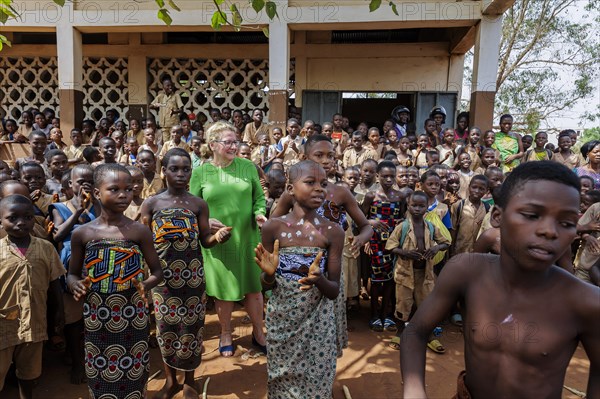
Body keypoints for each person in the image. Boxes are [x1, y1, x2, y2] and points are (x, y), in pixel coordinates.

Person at [400, 161, 600, 399]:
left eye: (566, 223)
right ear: (497, 216)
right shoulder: (466, 272)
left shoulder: (585, 301)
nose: (550, 231)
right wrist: (414, 391)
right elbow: (415, 332)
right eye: (532, 215)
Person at [270, 134, 374, 357]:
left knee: (328, 320)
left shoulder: (340, 192)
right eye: (319, 155)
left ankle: (325, 370)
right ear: (304, 157)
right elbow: (274, 221)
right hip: (300, 266)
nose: (326, 160)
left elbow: (366, 225)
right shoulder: (295, 192)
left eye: (330, 156)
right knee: (300, 319)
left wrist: (360, 238)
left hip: (332, 266)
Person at [140, 148, 232, 399]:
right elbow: (144, 241)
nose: (181, 174)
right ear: (164, 171)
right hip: (163, 279)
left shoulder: (197, 203)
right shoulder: (151, 203)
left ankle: (190, 380)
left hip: (193, 278)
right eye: (174, 169)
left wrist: (218, 237)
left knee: (192, 329)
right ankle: (171, 381)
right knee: (166, 329)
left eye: (186, 169)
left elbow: (205, 240)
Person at [67, 164, 163, 398]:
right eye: (114, 189)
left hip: (133, 316)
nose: (123, 195)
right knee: (101, 375)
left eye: (128, 189)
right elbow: (72, 273)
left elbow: (158, 272)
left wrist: (146, 285)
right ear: (97, 193)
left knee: (134, 374)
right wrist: (74, 284)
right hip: (97, 318)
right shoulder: (83, 233)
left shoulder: (139, 231)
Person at [255, 160, 343, 399]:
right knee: (281, 377)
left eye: (323, 184)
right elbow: (266, 287)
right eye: (310, 182)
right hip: (282, 319)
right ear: (290, 189)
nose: (319, 189)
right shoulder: (273, 228)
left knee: (318, 378)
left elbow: (334, 290)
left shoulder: (333, 231)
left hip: (318, 321)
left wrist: (319, 280)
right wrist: (269, 274)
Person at [189, 122, 268, 357]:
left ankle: (258, 332)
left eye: (236, 142)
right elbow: (194, 205)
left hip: (249, 238)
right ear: (212, 145)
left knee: (254, 289)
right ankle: (225, 332)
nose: (234, 146)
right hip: (218, 242)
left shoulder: (248, 167)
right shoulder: (200, 172)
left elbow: (259, 198)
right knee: (224, 292)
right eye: (228, 142)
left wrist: (259, 213)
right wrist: (206, 221)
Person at [0, 194, 65, 399]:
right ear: (0, 220)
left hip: (35, 320)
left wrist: (59, 312)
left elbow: (54, 283)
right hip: (3, 324)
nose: (21, 223)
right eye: (13, 218)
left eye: (28, 217)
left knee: (29, 371)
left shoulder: (45, 247)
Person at [49, 164, 98, 384]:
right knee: (74, 318)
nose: (85, 185)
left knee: (96, 315)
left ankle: (94, 357)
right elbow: (58, 235)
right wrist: (78, 209)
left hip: (98, 266)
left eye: (90, 181)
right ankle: (77, 363)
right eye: (81, 181)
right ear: (70, 184)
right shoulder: (59, 207)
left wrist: (93, 203)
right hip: (73, 269)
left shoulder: (99, 206)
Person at [386, 191, 450, 351]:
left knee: (426, 304)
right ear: (408, 206)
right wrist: (405, 253)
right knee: (402, 303)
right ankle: (400, 332)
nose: (417, 209)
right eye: (414, 205)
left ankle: (428, 335)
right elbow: (390, 246)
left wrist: (436, 248)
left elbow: (446, 242)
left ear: (427, 208)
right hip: (405, 272)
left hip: (425, 273)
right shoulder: (403, 226)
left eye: (421, 206)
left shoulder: (430, 226)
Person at [361, 161, 405, 332]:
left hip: (393, 243)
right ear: (377, 176)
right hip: (375, 243)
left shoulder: (400, 197)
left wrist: (399, 223)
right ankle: (374, 314)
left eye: (392, 176)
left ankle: (386, 315)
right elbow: (361, 219)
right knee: (377, 279)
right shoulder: (371, 196)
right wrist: (372, 221)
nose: (388, 179)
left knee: (391, 280)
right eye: (385, 176)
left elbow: (402, 217)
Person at [450, 175, 489, 256]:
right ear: (469, 187)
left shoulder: (487, 208)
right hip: (460, 252)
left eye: (481, 189)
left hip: (478, 254)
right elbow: (453, 231)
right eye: (474, 187)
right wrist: (451, 252)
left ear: (486, 191)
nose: (477, 191)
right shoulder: (459, 206)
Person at [150, 77, 184, 145]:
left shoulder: (176, 96)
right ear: (163, 87)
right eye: (168, 85)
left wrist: (174, 112)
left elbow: (181, 109)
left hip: (174, 125)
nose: (170, 87)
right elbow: (150, 106)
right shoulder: (161, 96)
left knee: (173, 143)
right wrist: (162, 105)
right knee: (166, 143)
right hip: (164, 125)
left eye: (171, 85)